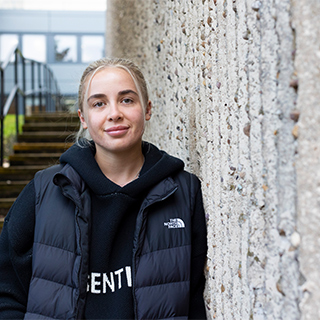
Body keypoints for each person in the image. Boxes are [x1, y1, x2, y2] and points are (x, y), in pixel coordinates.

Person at [0, 57, 207, 319]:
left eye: (127, 100)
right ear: (83, 118)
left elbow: (194, 300)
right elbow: (6, 290)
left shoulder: (184, 192)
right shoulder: (44, 191)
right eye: (99, 103)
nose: (114, 113)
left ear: (147, 110)